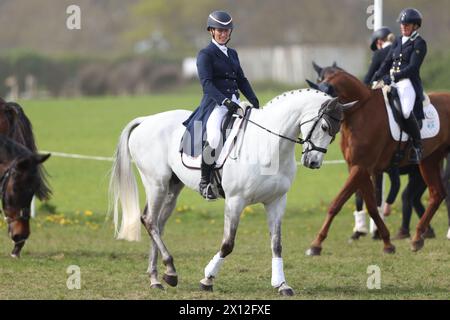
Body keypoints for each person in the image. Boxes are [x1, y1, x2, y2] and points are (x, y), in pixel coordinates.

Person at [181, 11, 259, 201]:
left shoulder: (232, 53)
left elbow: (241, 79)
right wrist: (225, 102)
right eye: (220, 31)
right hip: (216, 105)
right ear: (211, 32)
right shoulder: (205, 54)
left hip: (236, 103)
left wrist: (254, 100)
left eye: (227, 31)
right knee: (215, 137)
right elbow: (207, 84)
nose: (223, 34)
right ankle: (205, 182)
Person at [372, 8, 427, 164]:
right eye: (402, 24)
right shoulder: (397, 40)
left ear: (415, 26)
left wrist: (393, 76)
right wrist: (378, 75)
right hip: (391, 80)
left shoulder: (419, 43)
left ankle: (417, 145)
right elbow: (388, 61)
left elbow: (413, 68)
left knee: (405, 111)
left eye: (407, 25)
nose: (403, 27)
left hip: (407, 82)